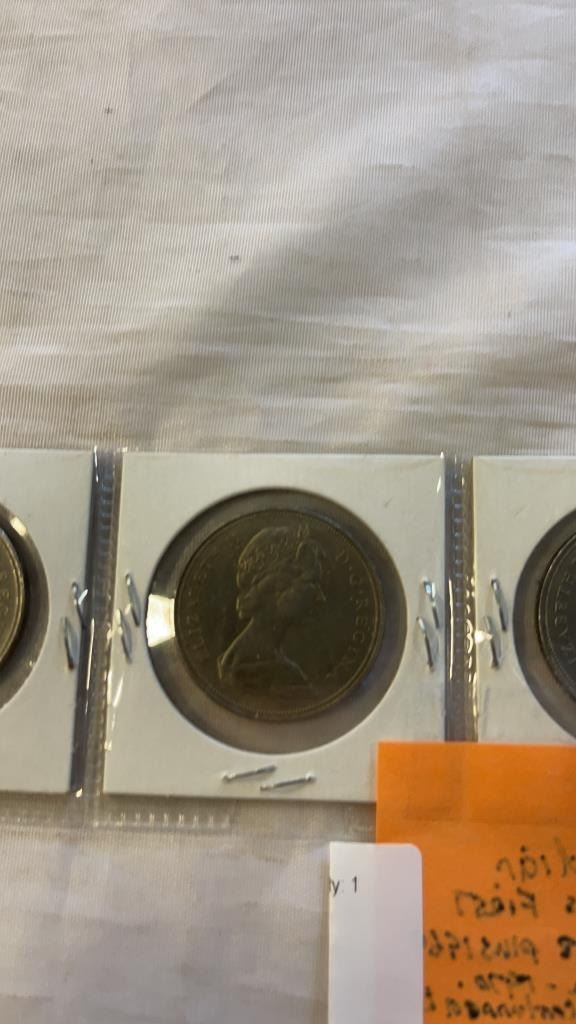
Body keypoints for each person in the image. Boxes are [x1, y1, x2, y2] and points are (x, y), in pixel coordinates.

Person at [217, 524, 326, 689]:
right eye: (309, 585)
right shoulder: (278, 674)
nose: (321, 599)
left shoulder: (240, 657)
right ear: (277, 590)